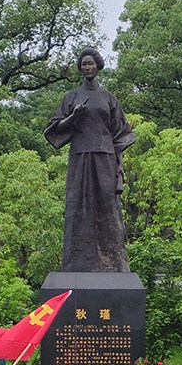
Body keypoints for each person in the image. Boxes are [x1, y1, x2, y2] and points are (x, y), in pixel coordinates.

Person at [43, 47, 135, 272]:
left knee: (107, 207)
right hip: (80, 155)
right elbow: (54, 129)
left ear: (98, 66)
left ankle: (113, 263)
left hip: (106, 157)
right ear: (80, 68)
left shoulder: (109, 99)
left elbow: (119, 134)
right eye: (84, 64)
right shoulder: (71, 97)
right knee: (78, 206)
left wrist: (119, 167)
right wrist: (73, 116)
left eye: (91, 63)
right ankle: (77, 264)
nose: (87, 67)